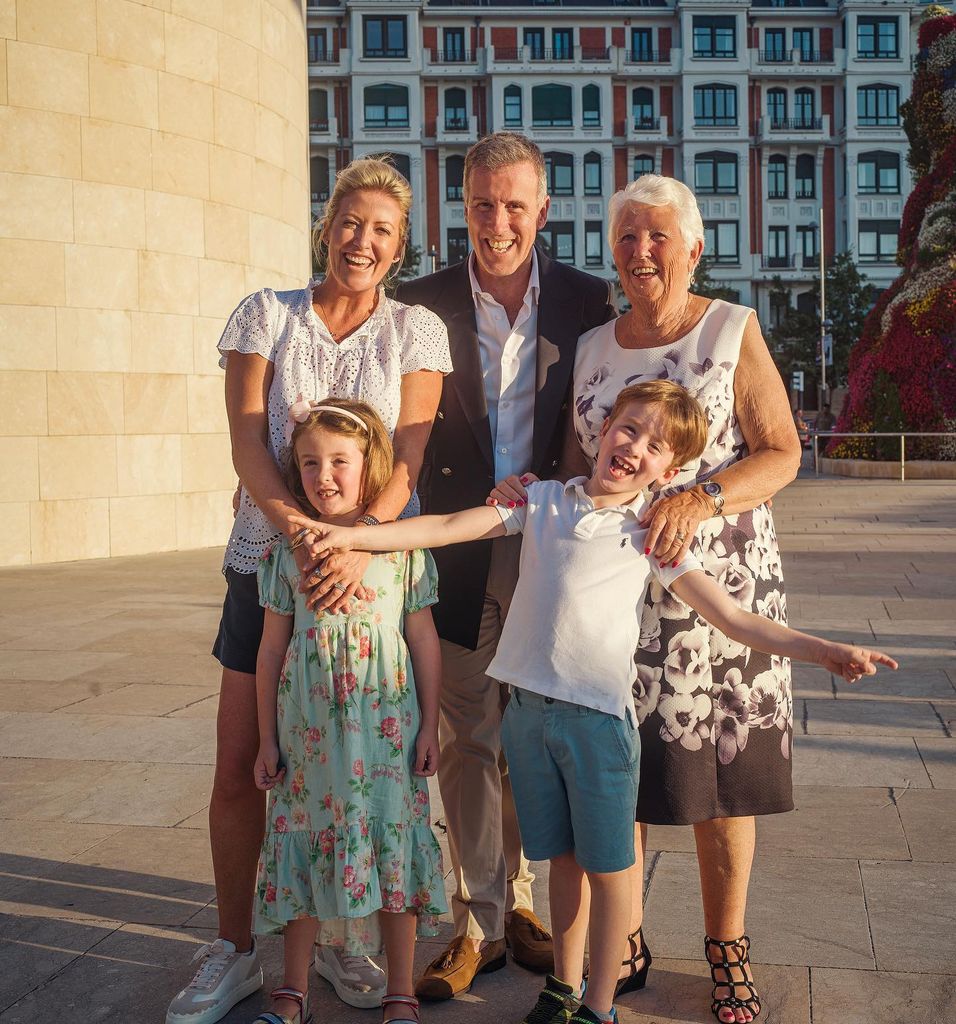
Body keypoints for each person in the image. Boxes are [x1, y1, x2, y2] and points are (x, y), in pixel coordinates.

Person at [287, 381, 896, 1024]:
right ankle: (564, 988)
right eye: (628, 429)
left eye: (655, 445)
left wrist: (821, 649)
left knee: (610, 871)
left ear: (673, 470)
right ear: (602, 432)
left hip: (598, 724)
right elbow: (444, 527)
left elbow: (732, 618)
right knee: (561, 863)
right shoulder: (543, 502)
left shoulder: (651, 533)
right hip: (526, 716)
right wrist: (354, 540)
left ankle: (600, 1005)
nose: (634, 446)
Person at [496, 174, 804, 1024]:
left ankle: (727, 949)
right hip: (614, 599)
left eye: (657, 237)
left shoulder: (732, 330)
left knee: (721, 783)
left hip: (716, 583)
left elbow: (781, 452)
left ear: (694, 248)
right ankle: (619, 945)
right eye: (625, 237)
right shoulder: (593, 348)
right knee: (616, 775)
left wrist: (700, 498)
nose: (639, 253)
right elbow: (569, 468)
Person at [166, 158, 452, 1024]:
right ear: (327, 225)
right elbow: (249, 444)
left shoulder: (415, 331)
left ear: (400, 246)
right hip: (272, 562)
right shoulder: (267, 316)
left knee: (360, 766)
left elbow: (408, 458)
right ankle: (234, 948)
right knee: (244, 765)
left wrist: (359, 545)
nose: (364, 241)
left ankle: (339, 945)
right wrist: (303, 536)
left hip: (372, 573)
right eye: (352, 222)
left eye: (384, 230)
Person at [393, 131, 615, 998]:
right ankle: (477, 916)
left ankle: (520, 903)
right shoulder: (419, 303)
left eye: (515, 205)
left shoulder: (589, 301)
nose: (497, 222)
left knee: (537, 729)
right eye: (483, 204)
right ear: (463, 206)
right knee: (467, 730)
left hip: (555, 545)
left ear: (543, 209)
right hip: (459, 542)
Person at [250, 399, 447, 1024]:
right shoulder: (287, 557)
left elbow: (424, 643)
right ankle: (293, 990)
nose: (323, 476)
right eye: (310, 463)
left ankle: (400, 992)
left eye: (340, 461)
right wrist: (265, 741)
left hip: (385, 738)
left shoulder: (402, 553)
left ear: (371, 467)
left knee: (394, 844)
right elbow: (271, 651)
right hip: (307, 735)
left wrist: (429, 725)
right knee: (304, 844)